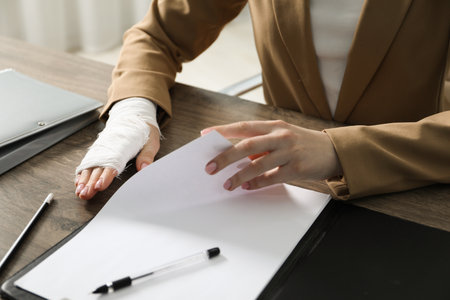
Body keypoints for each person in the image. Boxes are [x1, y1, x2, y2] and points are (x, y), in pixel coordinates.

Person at [75, 0, 450, 201]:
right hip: (280, 187)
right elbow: (157, 35)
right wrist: (134, 112)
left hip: (409, 178)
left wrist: (339, 151)